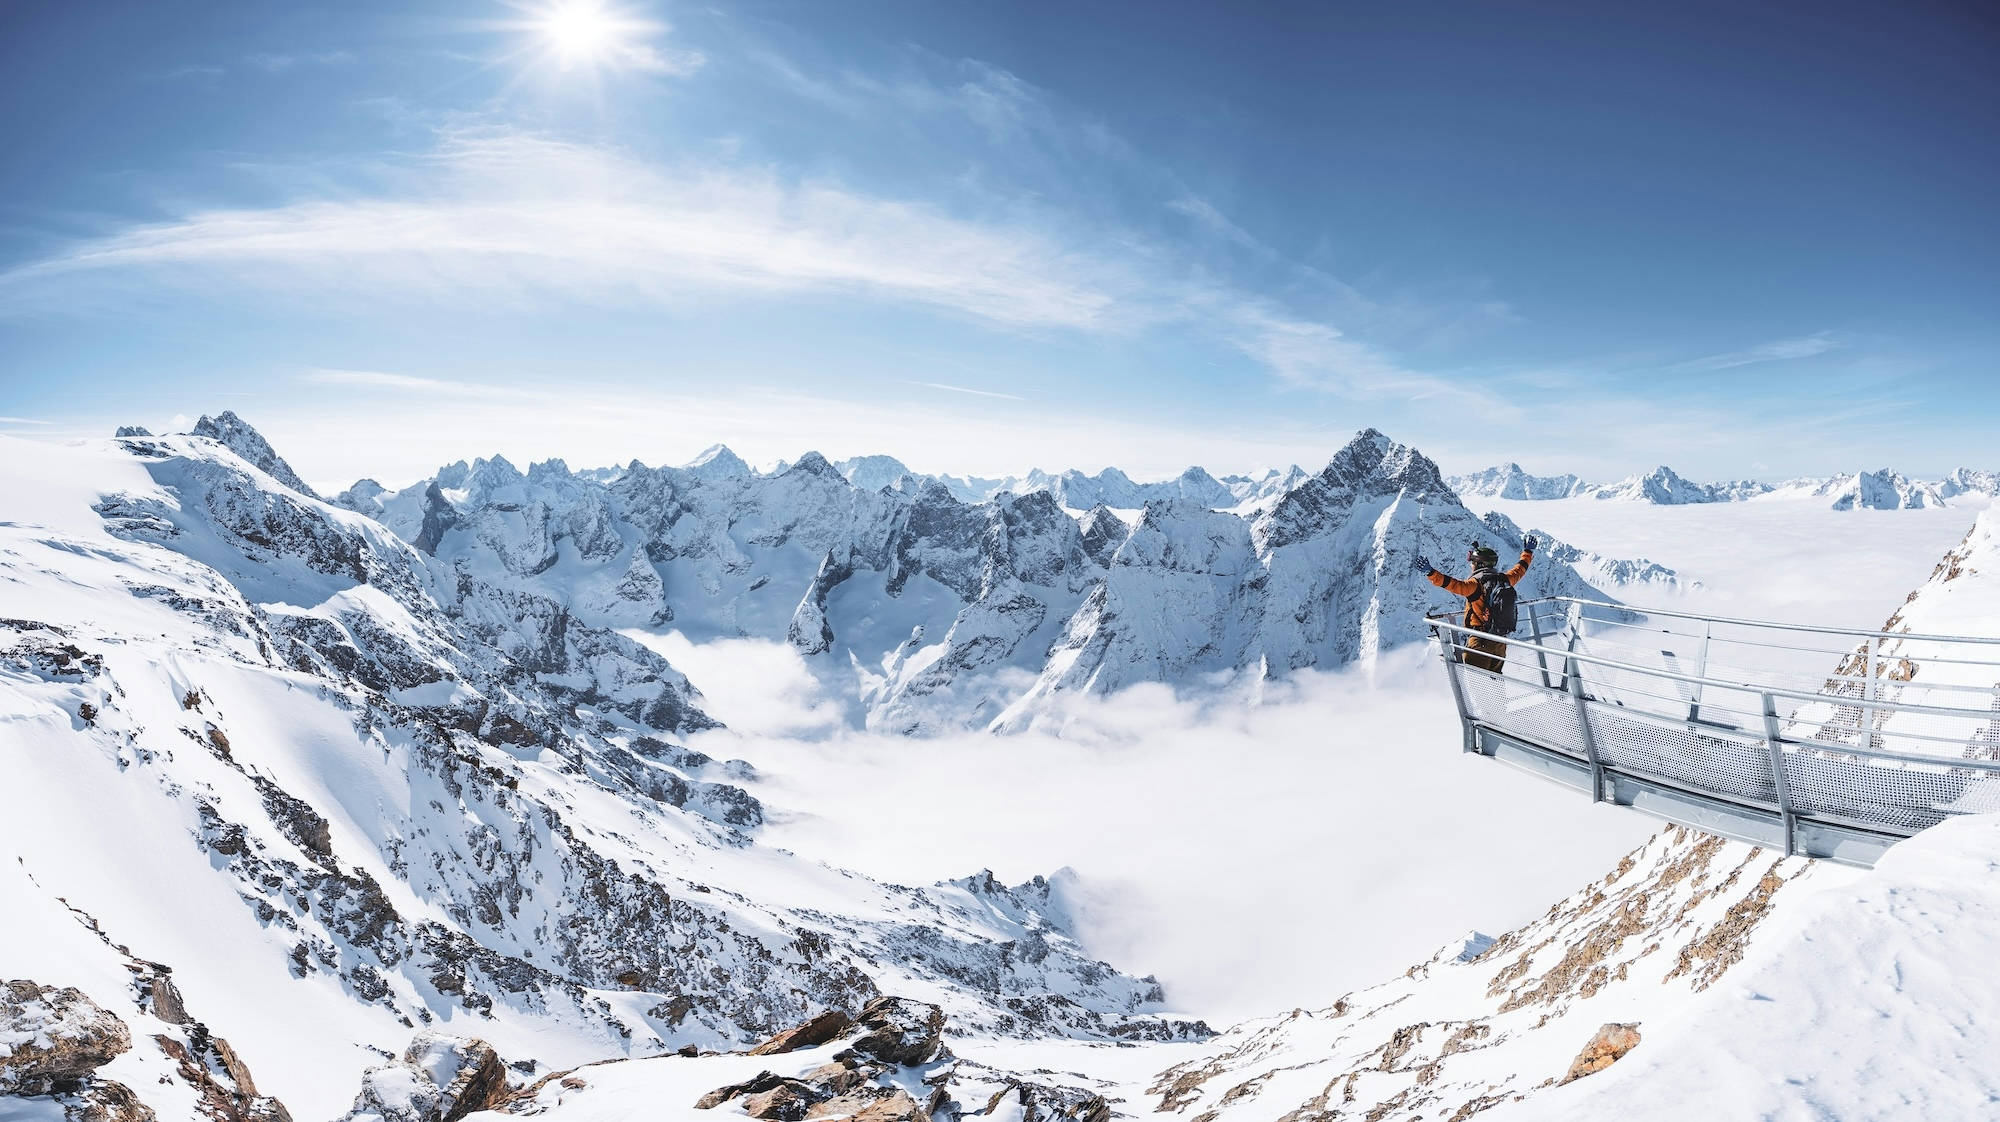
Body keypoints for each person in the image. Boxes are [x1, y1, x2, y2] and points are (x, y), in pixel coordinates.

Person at [1414, 538, 1536, 672]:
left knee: (1476, 680)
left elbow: (1451, 584)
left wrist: (1431, 573)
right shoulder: (1504, 580)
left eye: (1473, 562)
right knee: (1495, 679)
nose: (1471, 565)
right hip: (1500, 642)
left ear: (1479, 564)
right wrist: (1528, 551)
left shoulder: (1475, 585)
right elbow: (1520, 569)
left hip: (1480, 642)